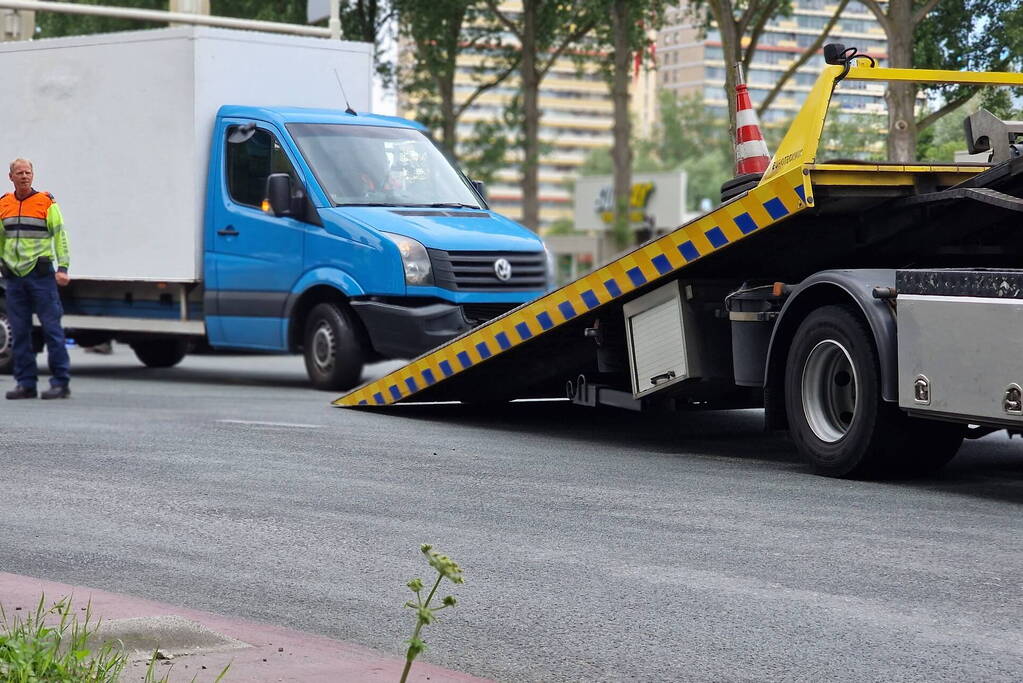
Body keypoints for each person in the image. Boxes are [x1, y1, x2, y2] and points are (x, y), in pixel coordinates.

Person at [0, 158, 71, 399]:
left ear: (33, 175)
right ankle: (25, 383)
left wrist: (63, 267)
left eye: (27, 172)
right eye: (19, 173)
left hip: (41, 276)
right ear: (11, 177)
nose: (24, 176)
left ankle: (60, 382)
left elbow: (60, 236)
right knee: (20, 332)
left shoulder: (46, 202)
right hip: (14, 277)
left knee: (52, 330)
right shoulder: (4, 204)